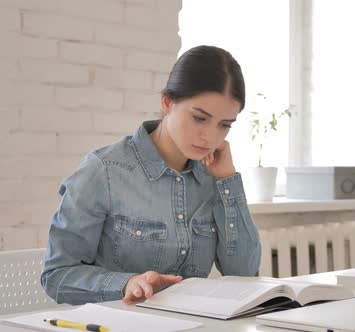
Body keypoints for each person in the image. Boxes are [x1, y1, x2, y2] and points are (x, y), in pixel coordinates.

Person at [41, 45, 261, 305]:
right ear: (167, 102)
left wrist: (228, 181)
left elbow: (244, 273)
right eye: (200, 118)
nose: (211, 137)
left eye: (224, 125)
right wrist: (126, 283)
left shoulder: (214, 176)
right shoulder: (104, 171)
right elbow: (57, 276)